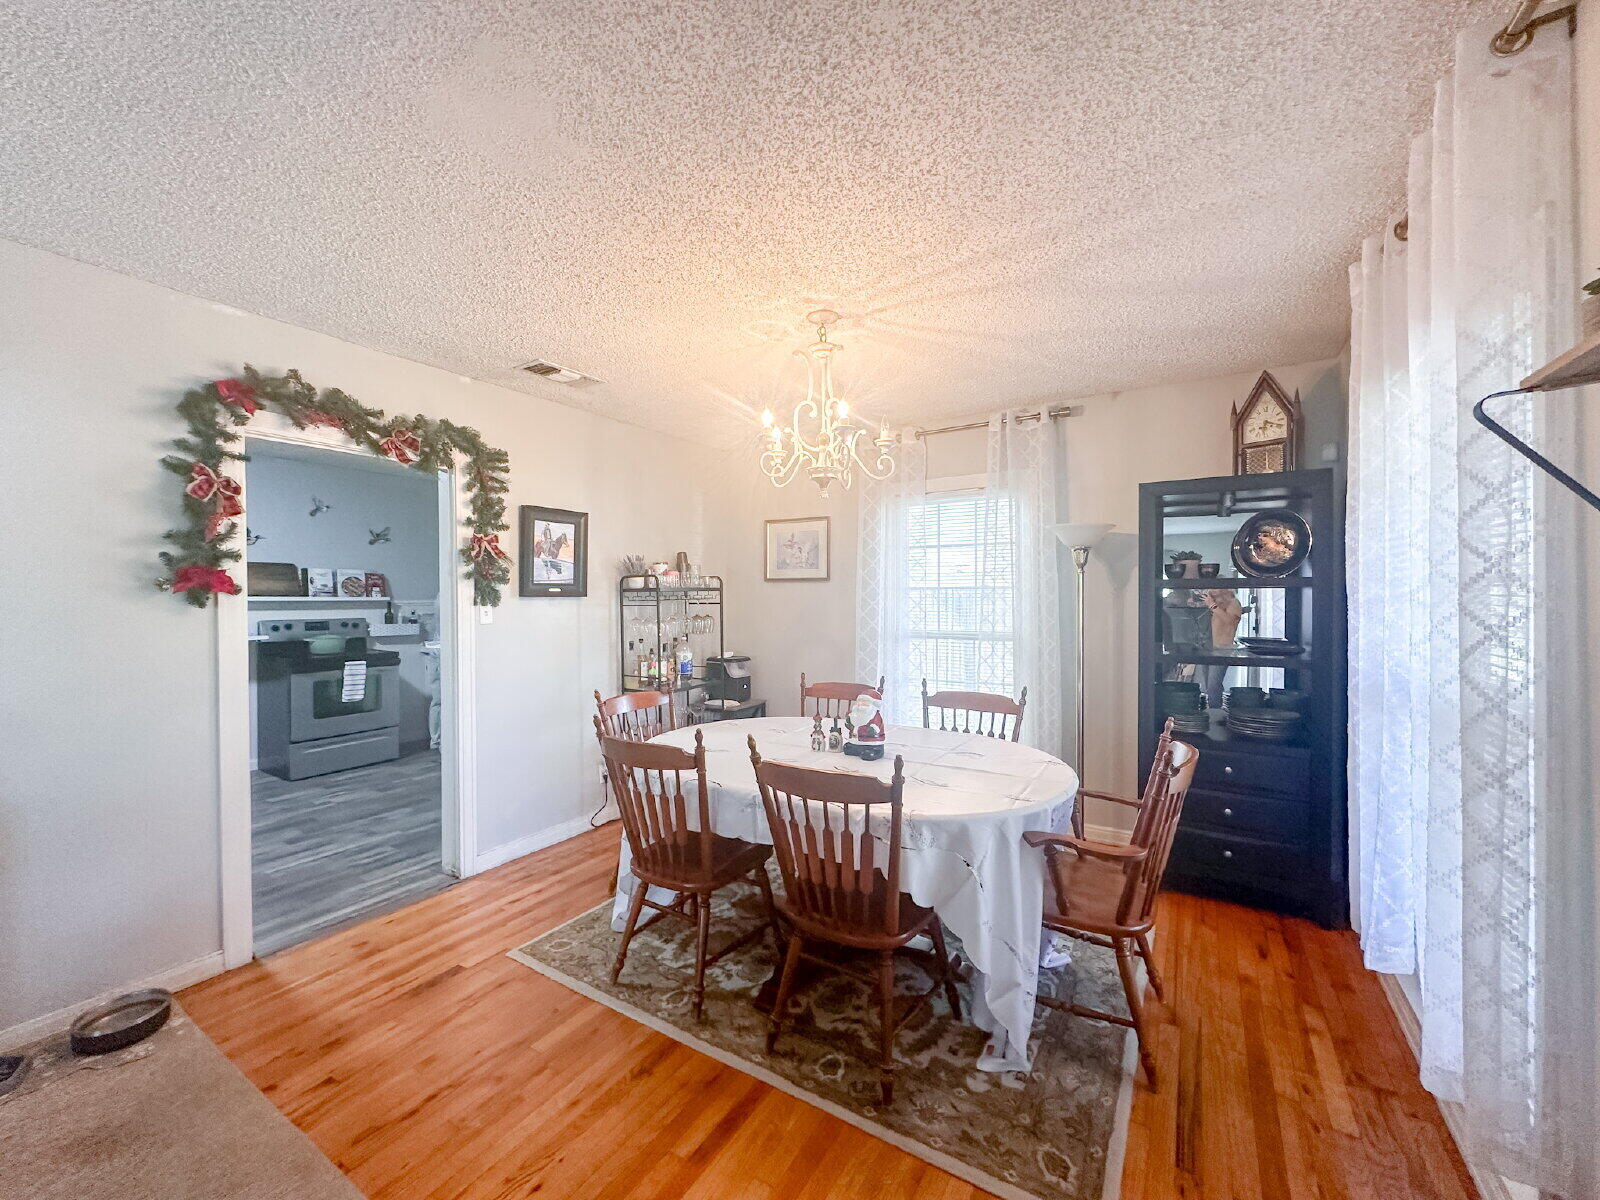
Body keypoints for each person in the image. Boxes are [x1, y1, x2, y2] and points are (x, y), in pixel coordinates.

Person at [1199, 588, 1246, 708]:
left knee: (1213, 684)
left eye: (1214, 588)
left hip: (1223, 648)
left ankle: (1216, 713)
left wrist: (1213, 606)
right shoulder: (1213, 602)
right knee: (1207, 685)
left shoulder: (1233, 603)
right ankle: (1211, 710)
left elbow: (1230, 621)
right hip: (1207, 647)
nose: (1211, 591)